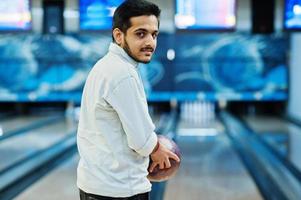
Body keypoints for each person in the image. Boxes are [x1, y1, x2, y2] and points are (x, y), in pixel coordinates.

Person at [76, 0, 180, 199]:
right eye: (141, 34)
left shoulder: (105, 65)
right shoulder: (122, 74)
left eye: (154, 34)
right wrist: (159, 151)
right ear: (119, 36)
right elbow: (141, 140)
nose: (150, 42)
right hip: (120, 190)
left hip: (96, 185)